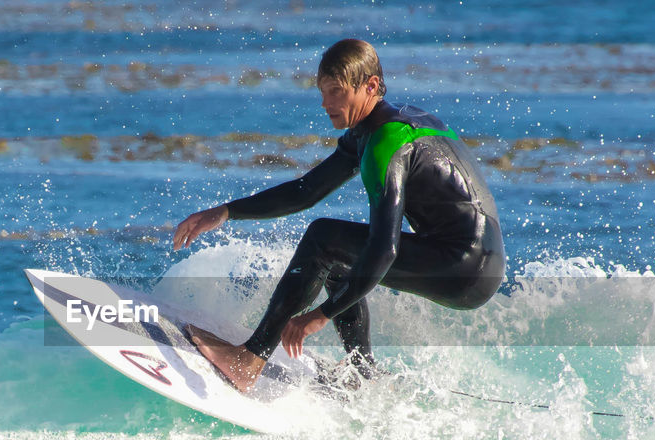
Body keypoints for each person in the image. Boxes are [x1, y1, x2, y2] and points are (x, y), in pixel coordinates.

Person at [171, 38, 505, 393]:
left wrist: (319, 316)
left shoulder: (384, 145)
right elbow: (307, 190)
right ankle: (362, 373)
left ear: (370, 86)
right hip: (479, 261)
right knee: (340, 257)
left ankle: (250, 359)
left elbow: (384, 248)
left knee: (324, 239)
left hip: (465, 266)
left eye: (336, 91)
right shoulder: (378, 128)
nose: (325, 103)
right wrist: (225, 212)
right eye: (323, 91)